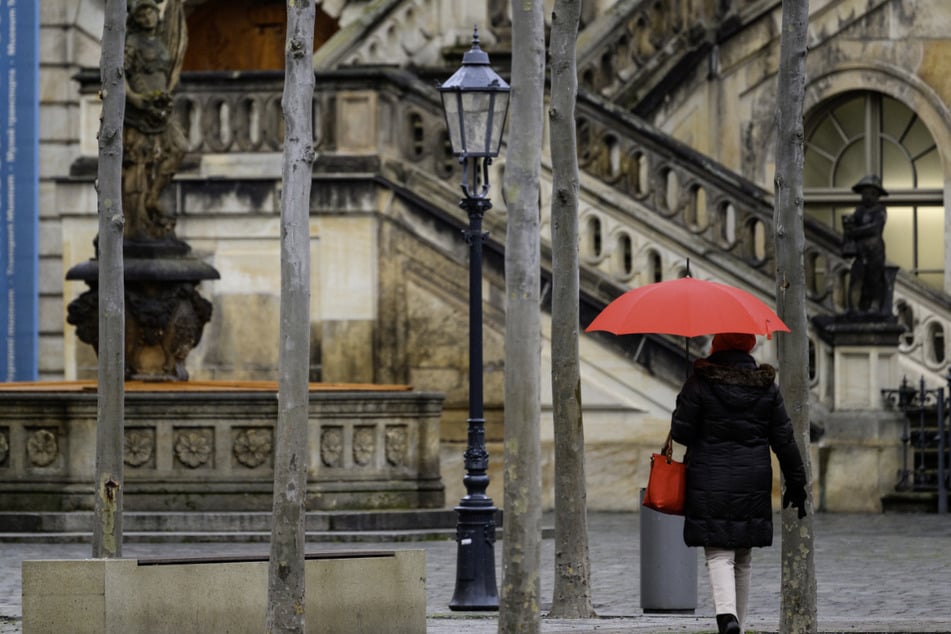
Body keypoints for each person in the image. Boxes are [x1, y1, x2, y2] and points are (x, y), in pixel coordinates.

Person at [670, 332, 807, 634]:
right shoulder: (766, 387)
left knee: (719, 551)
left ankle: (727, 617)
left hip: (709, 476)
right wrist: (798, 482)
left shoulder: (700, 382)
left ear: (717, 345)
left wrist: (684, 400)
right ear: (749, 346)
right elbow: (784, 439)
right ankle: (737, 627)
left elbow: (681, 432)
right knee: (742, 555)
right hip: (753, 478)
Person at [123, 0, 188, 243]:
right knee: (140, 164)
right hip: (140, 114)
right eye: (143, 14)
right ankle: (138, 217)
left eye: (150, 12)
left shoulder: (162, 41)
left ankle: (153, 197)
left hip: (162, 111)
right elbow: (118, 77)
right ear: (136, 19)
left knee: (179, 148)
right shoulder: (131, 43)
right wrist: (137, 100)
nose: (148, 17)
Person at [842, 174, 889, 314]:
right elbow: (852, 225)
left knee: (874, 278)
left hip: (875, 250)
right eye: (864, 193)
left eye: (870, 193)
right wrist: (849, 225)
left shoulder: (880, 210)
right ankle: (854, 306)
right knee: (857, 278)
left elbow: (875, 228)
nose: (866, 196)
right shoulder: (860, 210)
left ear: (876, 195)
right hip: (861, 251)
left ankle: (874, 305)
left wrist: (855, 232)